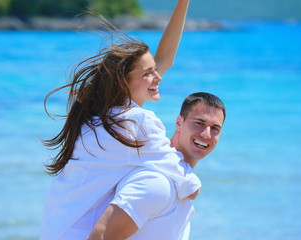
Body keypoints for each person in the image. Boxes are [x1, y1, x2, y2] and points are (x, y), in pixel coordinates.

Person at [40, 1, 201, 239]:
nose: (158, 76)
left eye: (154, 70)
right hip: (82, 235)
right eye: (148, 73)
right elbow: (189, 188)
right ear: (124, 82)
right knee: (165, 190)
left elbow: (165, 59)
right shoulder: (136, 122)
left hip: (57, 230)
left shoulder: (100, 115)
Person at [87, 92, 226, 240]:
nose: (206, 134)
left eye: (215, 128)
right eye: (199, 123)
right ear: (179, 122)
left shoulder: (181, 183)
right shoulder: (157, 184)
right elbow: (99, 236)